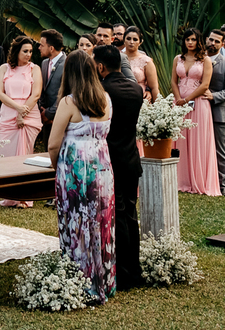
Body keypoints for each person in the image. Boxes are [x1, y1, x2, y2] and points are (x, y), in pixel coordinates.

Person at [48, 48, 115, 303]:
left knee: (77, 222)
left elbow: (54, 143)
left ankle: (81, 280)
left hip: (75, 169)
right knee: (101, 221)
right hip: (102, 166)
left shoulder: (69, 102)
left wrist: (58, 167)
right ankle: (103, 280)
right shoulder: (106, 99)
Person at [93, 44, 144, 291]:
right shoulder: (136, 88)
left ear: (100, 66)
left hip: (111, 161)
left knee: (118, 217)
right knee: (130, 216)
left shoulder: (102, 91)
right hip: (131, 158)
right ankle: (134, 269)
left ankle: (124, 273)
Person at [0, 35, 43, 207]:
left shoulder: (34, 69)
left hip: (29, 114)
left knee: (24, 155)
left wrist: (23, 113)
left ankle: (24, 197)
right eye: (25, 51)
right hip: (8, 112)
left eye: (30, 51)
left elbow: (36, 93)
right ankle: (9, 195)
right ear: (16, 51)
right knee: (7, 155)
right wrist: (17, 109)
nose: (29, 54)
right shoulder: (4, 68)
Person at [172, 28, 220, 195]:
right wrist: (178, 99)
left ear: (198, 41)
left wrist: (187, 100)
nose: (190, 42)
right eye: (187, 39)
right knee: (179, 138)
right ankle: (181, 179)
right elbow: (173, 81)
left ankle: (198, 180)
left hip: (198, 103)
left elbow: (205, 85)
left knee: (197, 139)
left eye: (193, 39)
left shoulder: (205, 60)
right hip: (178, 102)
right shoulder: (178, 58)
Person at [204, 28, 225, 196]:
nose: (213, 43)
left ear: (222, 44)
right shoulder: (197, 60)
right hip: (198, 111)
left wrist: (213, 96)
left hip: (218, 111)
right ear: (206, 39)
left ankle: (224, 184)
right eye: (211, 40)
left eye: (217, 41)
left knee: (220, 149)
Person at [122, 27, 159, 102]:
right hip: (119, 96)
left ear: (140, 42)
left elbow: (154, 87)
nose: (131, 42)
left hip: (140, 98)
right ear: (124, 40)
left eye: (135, 39)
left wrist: (157, 108)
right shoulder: (116, 57)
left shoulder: (146, 61)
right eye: (128, 39)